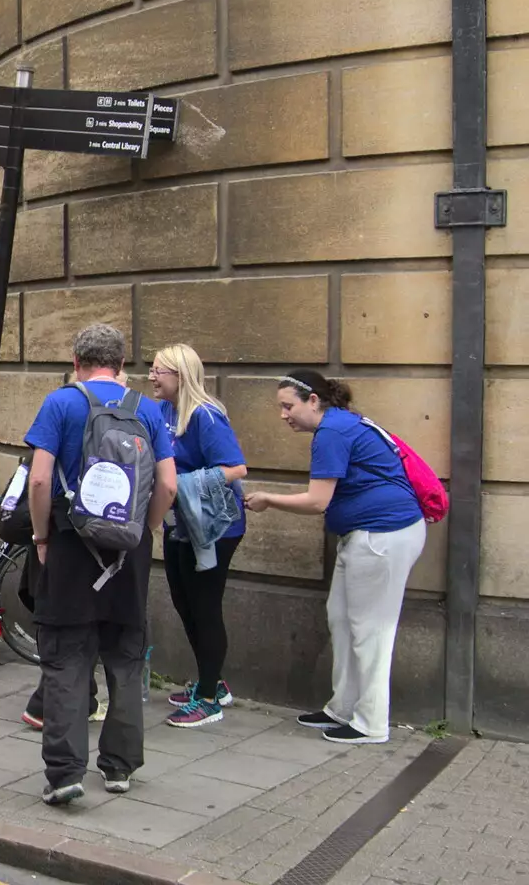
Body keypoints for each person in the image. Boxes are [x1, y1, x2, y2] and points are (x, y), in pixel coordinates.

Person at [23, 324, 176, 805]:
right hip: (128, 556)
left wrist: (42, 538)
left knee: (67, 661)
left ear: (76, 361)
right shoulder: (147, 410)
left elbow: (41, 481)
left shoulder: (61, 403)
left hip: (71, 549)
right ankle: (120, 768)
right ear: (121, 361)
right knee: (125, 661)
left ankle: (66, 775)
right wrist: (143, 532)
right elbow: (168, 486)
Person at [244, 371, 425, 745]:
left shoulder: (331, 432)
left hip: (381, 536)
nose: (283, 415)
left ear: (313, 401)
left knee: (370, 630)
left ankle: (371, 723)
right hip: (372, 535)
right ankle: (342, 708)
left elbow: (317, 501)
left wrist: (267, 499)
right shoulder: (340, 424)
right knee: (342, 620)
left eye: (287, 406)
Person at [147, 345, 249, 729]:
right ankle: (213, 680)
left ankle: (208, 699)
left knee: (204, 607)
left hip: (214, 529)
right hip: (179, 524)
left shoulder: (205, 415)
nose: (153, 377)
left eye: (160, 371)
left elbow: (236, 468)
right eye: (153, 370)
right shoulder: (162, 412)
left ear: (181, 375)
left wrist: (182, 485)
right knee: (184, 601)